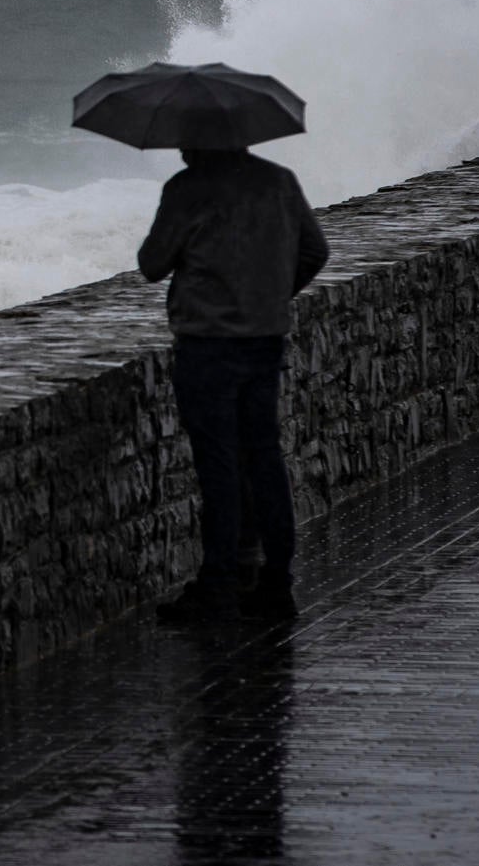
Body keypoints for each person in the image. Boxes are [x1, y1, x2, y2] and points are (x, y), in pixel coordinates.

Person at [137, 146, 328, 622]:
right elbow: (315, 251)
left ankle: (218, 585)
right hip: (264, 338)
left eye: (187, 138)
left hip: (207, 343)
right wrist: (272, 294)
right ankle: (276, 583)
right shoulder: (278, 180)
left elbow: (152, 263)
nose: (181, 148)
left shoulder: (187, 189)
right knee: (264, 458)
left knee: (218, 462)